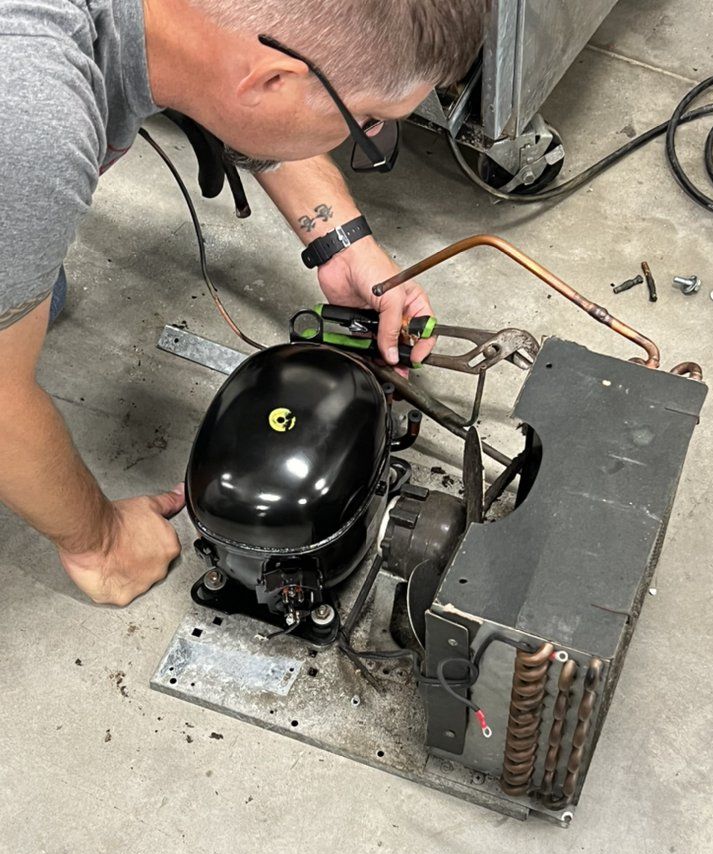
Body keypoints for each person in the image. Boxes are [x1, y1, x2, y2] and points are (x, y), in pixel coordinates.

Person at [0, 0, 487, 606]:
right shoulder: (31, 125)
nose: (365, 135)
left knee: (27, 278)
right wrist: (98, 542)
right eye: (365, 120)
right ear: (272, 80)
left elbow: (234, 78)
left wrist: (342, 246)